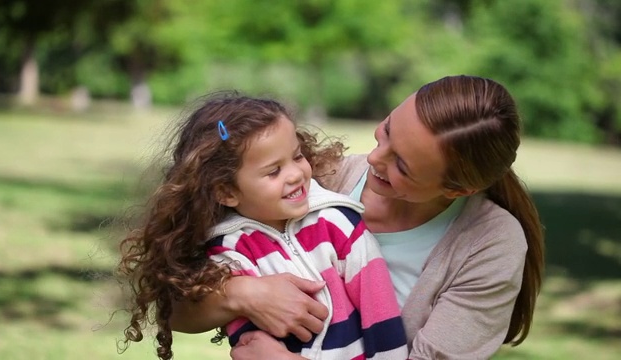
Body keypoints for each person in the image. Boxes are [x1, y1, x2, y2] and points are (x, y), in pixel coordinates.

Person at [169, 75, 545, 360]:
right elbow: (175, 309)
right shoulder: (317, 178)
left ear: (456, 190)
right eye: (387, 131)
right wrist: (243, 294)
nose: (372, 159)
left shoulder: (490, 243)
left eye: (401, 165)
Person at [116, 92, 409, 360]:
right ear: (226, 192)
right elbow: (246, 344)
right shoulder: (228, 251)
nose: (296, 174)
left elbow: (381, 315)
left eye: (297, 156)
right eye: (274, 171)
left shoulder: (338, 224)